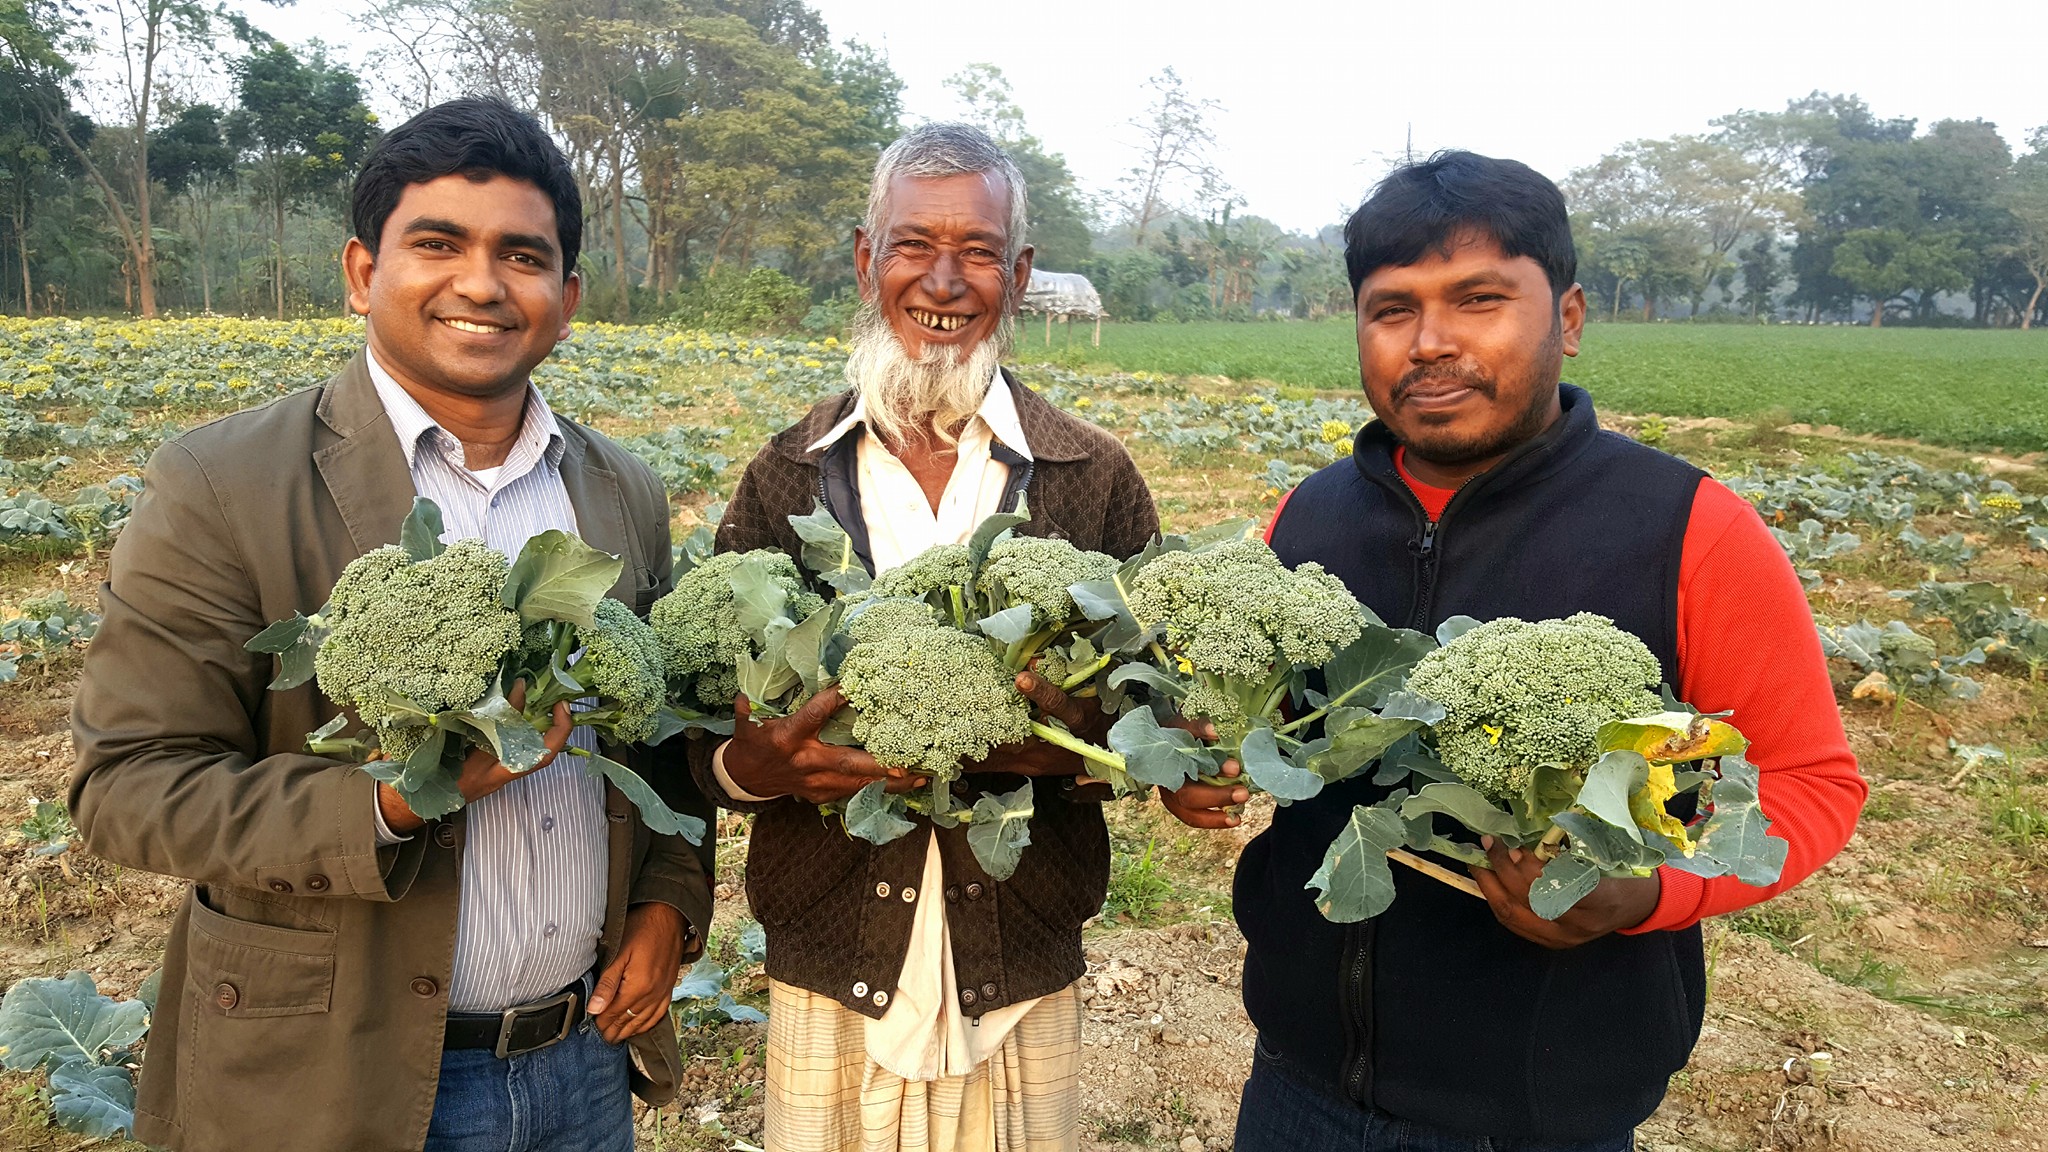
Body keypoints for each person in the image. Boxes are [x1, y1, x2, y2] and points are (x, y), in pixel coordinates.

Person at [1162, 151, 1868, 1151]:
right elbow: (1271, 729)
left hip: (1539, 1116)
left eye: (1479, 299)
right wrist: (1204, 762)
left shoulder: (1682, 532)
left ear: (1568, 317)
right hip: (1298, 1087)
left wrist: (1641, 891)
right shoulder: (1311, 517)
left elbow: (1802, 779)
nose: (1431, 342)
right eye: (1391, 308)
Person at [69, 97, 711, 1152]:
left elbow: (655, 734)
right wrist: (407, 797)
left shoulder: (620, 490)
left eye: (521, 254)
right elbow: (128, 786)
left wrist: (669, 906)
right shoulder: (222, 484)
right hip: (333, 1078)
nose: (480, 283)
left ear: (566, 296)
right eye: (437, 244)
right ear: (363, 271)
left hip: (581, 1067)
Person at [692, 123, 1158, 1151]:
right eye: (912, 245)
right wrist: (755, 767)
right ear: (867, 258)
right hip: (829, 952)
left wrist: (1075, 744)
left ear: (1019, 273)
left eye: (979, 252)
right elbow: (699, 740)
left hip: (1021, 951)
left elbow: (1156, 714)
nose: (941, 282)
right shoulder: (784, 475)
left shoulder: (1093, 478)